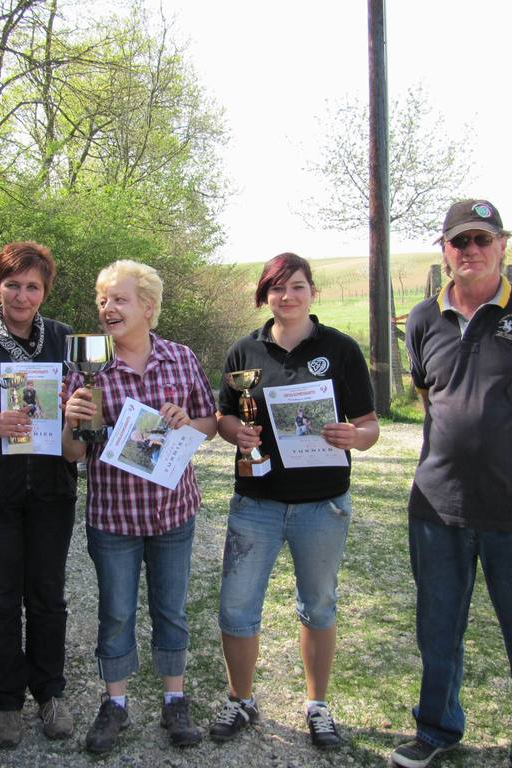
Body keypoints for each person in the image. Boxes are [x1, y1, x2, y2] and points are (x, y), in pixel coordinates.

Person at [392, 200, 512, 768]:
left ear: (502, 245)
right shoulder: (422, 319)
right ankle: (437, 729)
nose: (470, 250)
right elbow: (431, 400)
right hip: (437, 508)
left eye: (481, 239)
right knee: (437, 631)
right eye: (459, 241)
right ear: (444, 250)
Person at [209, 252, 380, 750]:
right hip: (255, 502)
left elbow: (369, 425)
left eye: (297, 286)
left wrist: (355, 437)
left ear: (312, 292)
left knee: (318, 605)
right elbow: (224, 416)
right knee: (236, 607)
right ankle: (240, 699)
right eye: (278, 288)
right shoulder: (244, 351)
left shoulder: (341, 349)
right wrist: (236, 433)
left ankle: (317, 705)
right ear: (265, 294)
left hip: (322, 504)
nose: (288, 296)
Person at [62, 260, 217, 754]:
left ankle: (175, 700)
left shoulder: (180, 358)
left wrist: (186, 421)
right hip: (114, 518)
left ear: (148, 307)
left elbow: (210, 423)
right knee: (116, 614)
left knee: (171, 611)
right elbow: (71, 453)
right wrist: (74, 420)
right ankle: (116, 704)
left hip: (173, 512)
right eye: (103, 299)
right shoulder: (86, 368)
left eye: (119, 299)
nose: (108, 307)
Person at [0, 242, 78, 747]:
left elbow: (93, 406)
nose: (21, 296)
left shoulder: (67, 341)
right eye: (12, 285)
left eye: (32, 286)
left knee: (48, 596)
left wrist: (77, 410)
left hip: (52, 491)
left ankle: (49, 693)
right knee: (0, 598)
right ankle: (6, 701)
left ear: (45, 290)